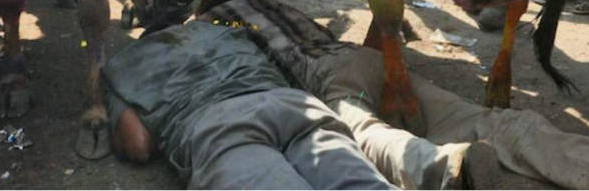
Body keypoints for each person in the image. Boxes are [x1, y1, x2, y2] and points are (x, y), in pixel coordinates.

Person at [198, 0, 589, 190]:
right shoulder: (278, 5)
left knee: (366, 134)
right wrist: (393, 71)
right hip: (365, 59)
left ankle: (452, 169)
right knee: (482, 119)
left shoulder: (218, 30)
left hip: (321, 78)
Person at [103, 17, 398, 190]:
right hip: (294, 106)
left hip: (219, 126)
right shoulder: (223, 31)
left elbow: (138, 145)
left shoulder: (127, 62)